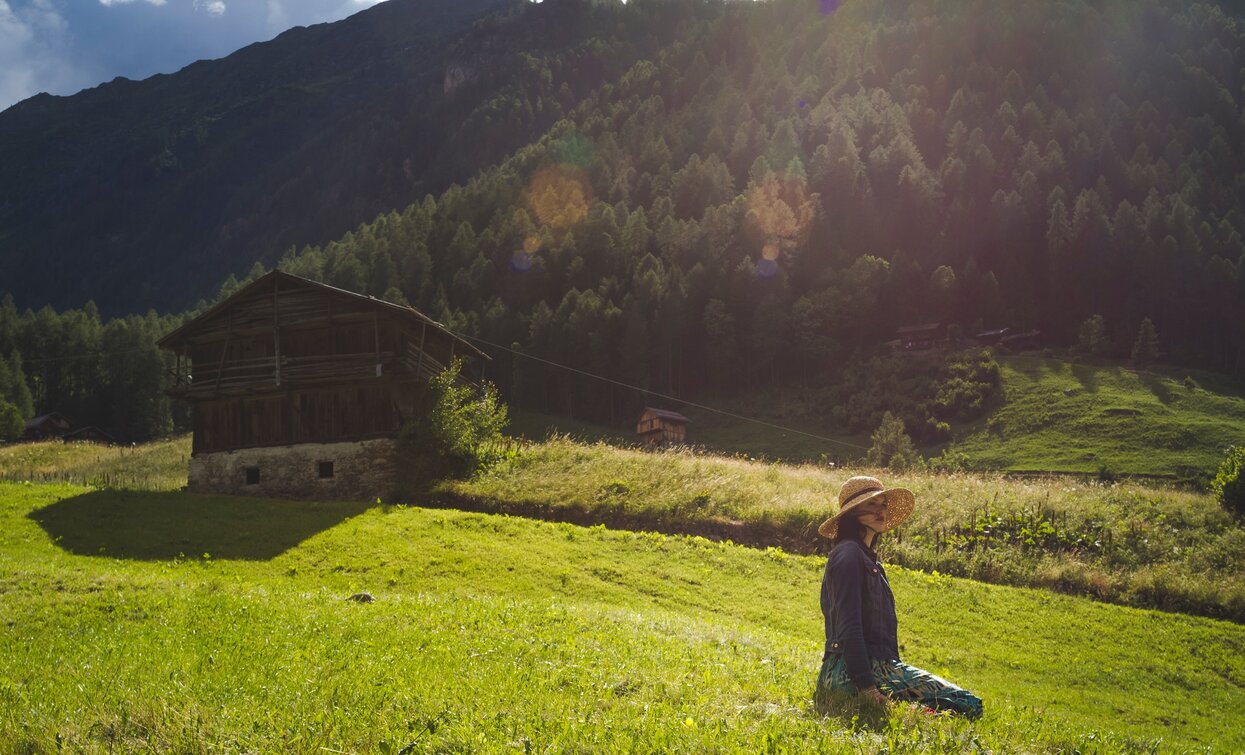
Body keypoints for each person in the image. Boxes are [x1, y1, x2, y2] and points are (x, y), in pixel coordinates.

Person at [814, 475, 983, 718]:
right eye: (871, 504)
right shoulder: (849, 554)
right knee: (967, 704)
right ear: (852, 513)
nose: (880, 511)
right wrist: (869, 688)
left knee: (953, 706)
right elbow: (849, 625)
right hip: (847, 674)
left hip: (872, 669)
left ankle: (914, 712)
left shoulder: (866, 557)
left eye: (883, 504)